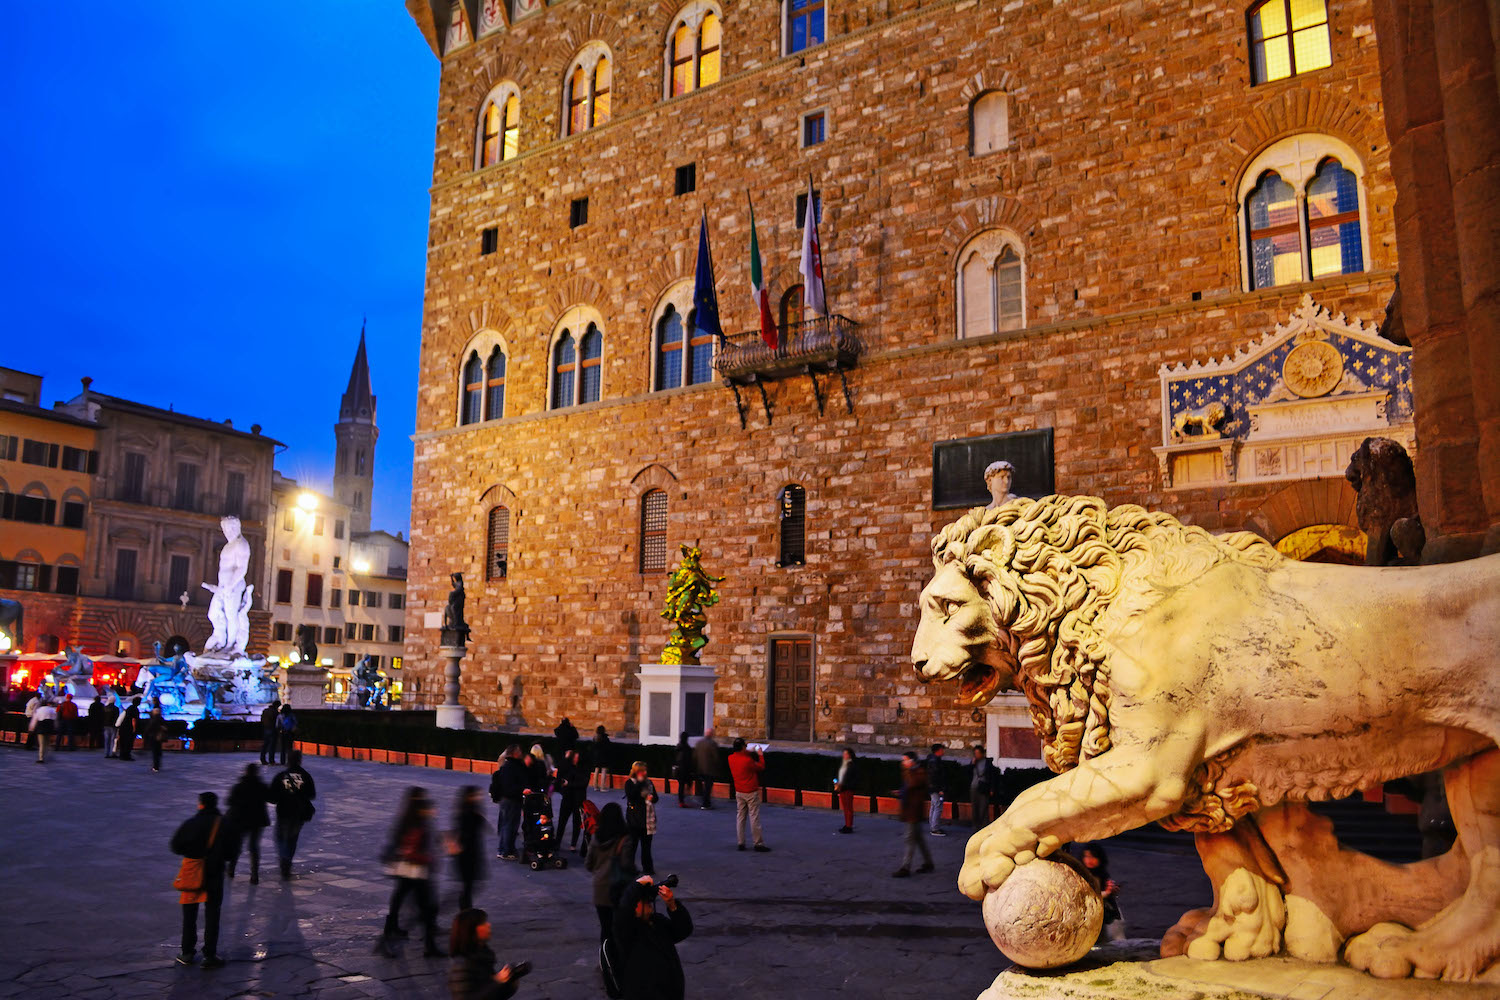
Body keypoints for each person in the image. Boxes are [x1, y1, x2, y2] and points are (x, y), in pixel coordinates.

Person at [375, 787, 444, 959]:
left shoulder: (412, 821)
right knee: (425, 909)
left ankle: (391, 939)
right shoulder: (417, 826)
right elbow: (410, 851)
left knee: (402, 904)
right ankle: (425, 945)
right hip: (414, 872)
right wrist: (428, 859)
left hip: (409, 872)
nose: (434, 811)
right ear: (423, 809)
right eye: (430, 808)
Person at [171, 791, 228, 969]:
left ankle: (187, 952)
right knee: (212, 913)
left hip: (193, 872)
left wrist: (192, 852)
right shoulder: (224, 824)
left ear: (201, 804)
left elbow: (175, 845)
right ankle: (209, 955)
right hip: (214, 873)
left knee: (189, 914)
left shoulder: (191, 823)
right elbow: (233, 850)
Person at [614, 875, 693, 1000]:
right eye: (642, 900)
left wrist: (672, 906)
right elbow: (624, 909)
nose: (648, 901)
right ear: (633, 905)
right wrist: (637, 885)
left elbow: (684, 930)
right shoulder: (627, 931)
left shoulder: (656, 921)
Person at [447, 908, 520, 1000]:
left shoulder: (482, 956)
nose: (488, 925)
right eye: (483, 923)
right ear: (471, 930)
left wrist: (510, 981)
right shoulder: (462, 966)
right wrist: (497, 981)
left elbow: (493, 993)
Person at [586, 803, 632, 945]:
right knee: (620, 927)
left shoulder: (596, 837)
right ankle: (620, 959)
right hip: (618, 889)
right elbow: (626, 864)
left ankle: (606, 959)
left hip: (600, 888)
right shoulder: (625, 839)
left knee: (605, 928)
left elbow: (588, 864)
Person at [267, 749, 317, 879]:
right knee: (292, 839)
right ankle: (287, 860)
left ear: (288, 760)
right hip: (298, 813)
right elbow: (312, 794)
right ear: (300, 760)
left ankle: (284, 858)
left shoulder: (281, 776)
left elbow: (272, 796)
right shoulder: (305, 775)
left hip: (283, 811)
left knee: (280, 837)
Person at [225, 763, 270, 884]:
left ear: (245, 772)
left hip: (240, 820)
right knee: (254, 847)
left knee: (237, 845)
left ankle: (231, 869)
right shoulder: (261, 786)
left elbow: (229, 801)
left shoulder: (239, 786)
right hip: (257, 820)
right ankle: (254, 874)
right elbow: (271, 798)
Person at [892, 752, 935, 878]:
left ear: (912, 761)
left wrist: (907, 770)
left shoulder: (918, 772)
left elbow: (912, 784)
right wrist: (900, 792)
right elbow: (908, 787)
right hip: (910, 810)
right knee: (919, 839)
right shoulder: (912, 772)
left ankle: (905, 867)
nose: (903, 763)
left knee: (909, 839)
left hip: (914, 811)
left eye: (905, 760)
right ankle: (928, 863)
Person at [727, 738, 769, 852]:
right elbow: (761, 766)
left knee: (740, 817)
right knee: (754, 817)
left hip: (739, 791)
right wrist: (760, 754)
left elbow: (741, 754)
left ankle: (741, 842)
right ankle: (758, 843)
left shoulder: (730, 758)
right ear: (742, 747)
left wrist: (749, 750)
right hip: (750, 791)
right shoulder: (747, 760)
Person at [1079, 843, 1124, 943]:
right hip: (1087, 914)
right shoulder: (1081, 874)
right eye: (1086, 856)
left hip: (1103, 913)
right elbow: (1087, 896)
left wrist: (1112, 891)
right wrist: (1106, 893)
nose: (1089, 860)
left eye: (1093, 856)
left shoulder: (1101, 873)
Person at [451, 786, 486, 911]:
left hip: (470, 852)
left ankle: (466, 910)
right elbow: (466, 831)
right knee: (467, 886)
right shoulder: (467, 812)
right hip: (466, 854)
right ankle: (465, 911)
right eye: (475, 795)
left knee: (468, 886)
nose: (479, 797)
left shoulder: (471, 809)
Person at [623, 761, 659, 875]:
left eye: (645, 770)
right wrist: (639, 783)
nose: (644, 773)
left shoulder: (649, 783)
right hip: (634, 818)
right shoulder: (629, 783)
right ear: (635, 772)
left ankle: (648, 868)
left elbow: (656, 798)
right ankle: (630, 867)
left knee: (646, 845)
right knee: (632, 845)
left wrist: (651, 798)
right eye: (641, 771)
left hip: (648, 817)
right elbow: (631, 796)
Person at [489, 745, 525, 861]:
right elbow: (510, 786)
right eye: (519, 751)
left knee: (507, 825)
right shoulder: (511, 767)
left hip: (507, 799)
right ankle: (505, 850)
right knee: (510, 826)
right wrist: (521, 790)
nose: (521, 753)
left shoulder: (507, 766)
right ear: (514, 753)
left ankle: (504, 849)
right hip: (511, 800)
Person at [554, 748, 587, 852]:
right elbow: (560, 772)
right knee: (562, 821)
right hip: (567, 798)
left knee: (576, 822)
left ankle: (573, 844)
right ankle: (557, 842)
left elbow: (583, 783)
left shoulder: (584, 769)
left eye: (576, 757)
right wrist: (566, 757)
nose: (574, 759)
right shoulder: (568, 767)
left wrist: (570, 784)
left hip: (578, 799)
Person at [969, 745, 996, 829]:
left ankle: (984, 825)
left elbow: (992, 776)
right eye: (975, 753)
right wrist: (972, 765)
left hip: (983, 787)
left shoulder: (987, 763)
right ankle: (975, 825)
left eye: (978, 753)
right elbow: (967, 773)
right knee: (975, 807)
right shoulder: (973, 762)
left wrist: (992, 788)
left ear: (982, 753)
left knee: (983, 807)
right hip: (974, 787)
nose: (976, 755)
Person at [924, 743, 949, 836]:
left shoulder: (931, 760)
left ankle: (933, 826)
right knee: (937, 806)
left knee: (934, 805)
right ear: (938, 750)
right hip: (935, 788)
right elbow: (935, 777)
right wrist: (939, 789)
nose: (943, 752)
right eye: (942, 750)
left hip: (932, 788)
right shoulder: (935, 761)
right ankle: (935, 828)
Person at [692, 728, 719, 810]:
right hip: (709, 769)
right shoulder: (712, 743)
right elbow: (716, 757)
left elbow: (695, 756)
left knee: (703, 786)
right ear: (711, 734)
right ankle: (706, 803)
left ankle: (704, 801)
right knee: (708, 786)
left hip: (700, 769)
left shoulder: (699, 743)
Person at [834, 747, 858, 834]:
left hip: (848, 789)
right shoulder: (844, 764)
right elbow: (840, 775)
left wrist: (844, 784)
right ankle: (847, 824)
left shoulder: (852, 765)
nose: (844, 755)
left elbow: (851, 778)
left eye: (846, 754)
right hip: (842, 788)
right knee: (845, 808)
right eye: (843, 753)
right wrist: (836, 782)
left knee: (848, 808)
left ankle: (849, 826)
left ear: (850, 755)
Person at [29, 696, 56, 764]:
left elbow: (34, 720)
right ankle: (48, 754)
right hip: (49, 728)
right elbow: (55, 719)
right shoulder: (51, 710)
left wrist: (31, 728)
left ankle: (41, 758)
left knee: (41, 743)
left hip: (41, 727)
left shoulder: (39, 710)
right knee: (47, 742)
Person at [143, 707, 170, 772]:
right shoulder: (161, 719)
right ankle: (157, 764)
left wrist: (145, 736)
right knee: (158, 751)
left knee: (155, 752)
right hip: (159, 737)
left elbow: (149, 729)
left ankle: (156, 766)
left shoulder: (153, 719)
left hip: (153, 737)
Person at [673, 734, 694, 808]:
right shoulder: (686, 748)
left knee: (681, 785)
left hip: (680, 770)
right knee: (687, 784)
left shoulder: (679, 747)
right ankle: (683, 800)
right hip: (684, 770)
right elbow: (688, 760)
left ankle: (681, 800)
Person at [117, 695, 141, 761]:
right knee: (128, 742)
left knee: (123, 742)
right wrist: (134, 728)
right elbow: (133, 719)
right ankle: (126, 756)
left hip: (123, 727)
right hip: (129, 728)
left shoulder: (129, 708)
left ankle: (122, 755)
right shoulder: (135, 709)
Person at [259, 700, 281, 765]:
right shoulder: (275, 712)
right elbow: (277, 722)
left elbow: (262, 719)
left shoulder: (265, 710)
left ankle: (262, 759)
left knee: (265, 745)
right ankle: (271, 760)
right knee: (272, 746)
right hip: (273, 729)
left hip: (266, 729)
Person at [99, 690, 120, 758]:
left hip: (106, 725)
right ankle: (112, 753)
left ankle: (106, 753)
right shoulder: (116, 709)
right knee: (112, 740)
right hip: (113, 725)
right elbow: (117, 717)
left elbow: (102, 717)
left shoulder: (104, 708)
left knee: (107, 740)